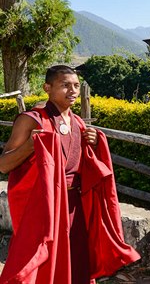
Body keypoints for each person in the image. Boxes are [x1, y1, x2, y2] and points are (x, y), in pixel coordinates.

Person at [0, 65, 140, 283]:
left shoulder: (78, 123)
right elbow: (3, 164)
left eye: (75, 85)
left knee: (75, 265)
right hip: (45, 207)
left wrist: (93, 144)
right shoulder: (31, 120)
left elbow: (82, 166)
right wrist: (30, 145)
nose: (72, 91)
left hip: (74, 204)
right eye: (65, 85)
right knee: (39, 263)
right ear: (47, 87)